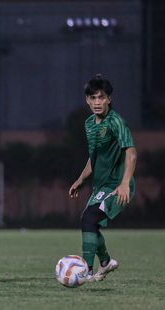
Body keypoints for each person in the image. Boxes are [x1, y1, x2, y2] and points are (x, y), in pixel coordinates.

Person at [69, 74, 137, 281]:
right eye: (93, 98)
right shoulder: (89, 123)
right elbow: (94, 157)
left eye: (101, 97)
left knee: (89, 219)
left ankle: (86, 271)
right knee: (89, 222)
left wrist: (125, 183)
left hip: (117, 185)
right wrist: (81, 180)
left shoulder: (116, 121)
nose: (97, 102)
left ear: (109, 99)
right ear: (87, 100)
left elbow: (131, 152)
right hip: (101, 186)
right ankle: (106, 262)